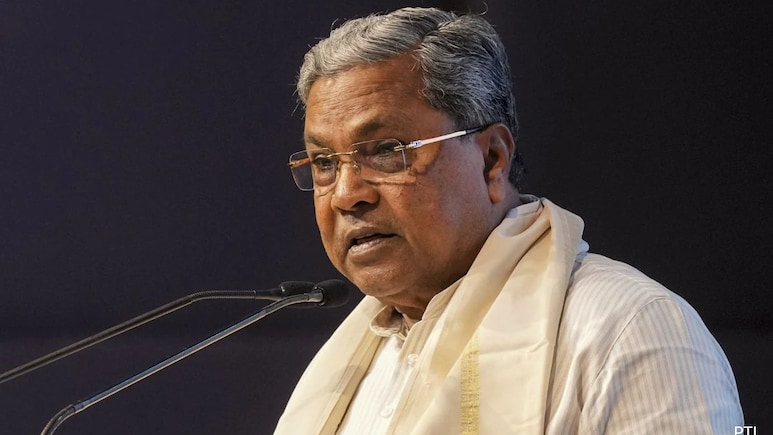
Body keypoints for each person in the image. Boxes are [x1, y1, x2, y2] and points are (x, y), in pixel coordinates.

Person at [274, 7, 743, 434]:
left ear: (492, 160)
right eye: (324, 163)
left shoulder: (626, 331)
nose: (347, 195)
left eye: (386, 151)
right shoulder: (351, 368)